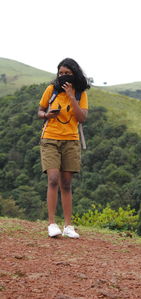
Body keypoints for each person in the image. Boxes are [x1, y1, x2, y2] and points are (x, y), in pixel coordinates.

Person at [38, 58, 89, 238]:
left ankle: (68, 226)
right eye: (60, 73)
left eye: (67, 73)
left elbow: (82, 118)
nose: (63, 76)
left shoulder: (80, 93)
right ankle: (52, 224)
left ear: (74, 74)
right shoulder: (51, 90)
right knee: (52, 179)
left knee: (66, 184)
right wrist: (47, 115)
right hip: (50, 138)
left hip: (71, 141)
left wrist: (70, 96)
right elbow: (40, 111)